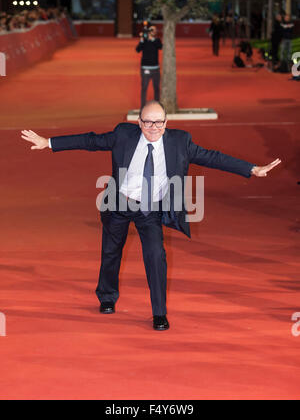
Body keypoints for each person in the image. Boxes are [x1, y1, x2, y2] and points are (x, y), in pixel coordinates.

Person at [21, 101, 281, 331]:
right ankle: (107, 297)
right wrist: (49, 143)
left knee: (156, 256)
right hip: (119, 203)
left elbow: (213, 157)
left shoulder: (180, 141)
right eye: (147, 122)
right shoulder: (124, 135)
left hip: (150, 209)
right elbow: (91, 140)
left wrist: (252, 169)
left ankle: (159, 313)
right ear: (139, 122)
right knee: (111, 252)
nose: (153, 127)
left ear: (166, 123)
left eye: (158, 122)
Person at [136, 25, 162, 108]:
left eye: (153, 30)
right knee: (144, 88)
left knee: (157, 88)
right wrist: (141, 39)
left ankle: (157, 106)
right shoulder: (144, 41)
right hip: (145, 69)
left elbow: (160, 46)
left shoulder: (157, 40)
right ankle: (143, 107)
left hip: (156, 69)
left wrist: (152, 39)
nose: (152, 31)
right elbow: (138, 50)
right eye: (150, 30)